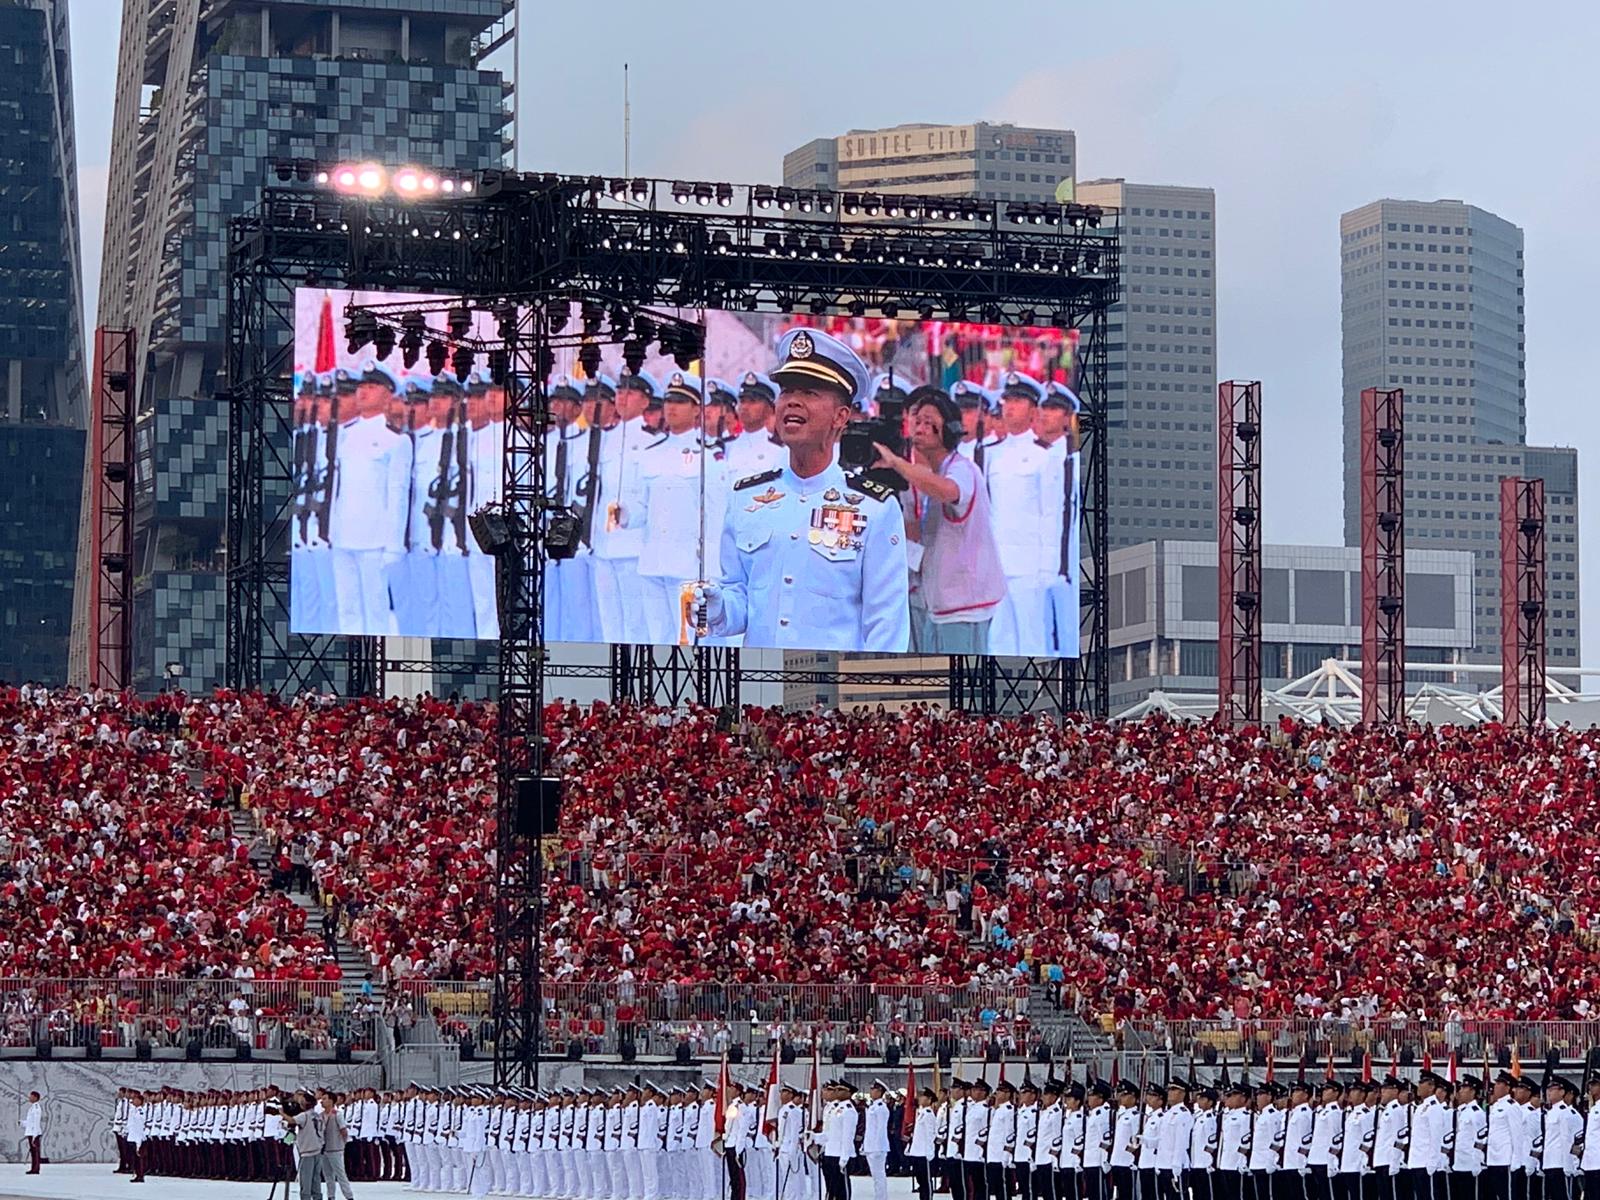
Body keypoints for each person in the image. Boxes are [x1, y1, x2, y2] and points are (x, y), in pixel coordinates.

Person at [699, 327, 909, 651]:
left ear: (841, 416)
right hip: (760, 685)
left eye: (810, 392)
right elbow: (741, 600)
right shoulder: (746, 498)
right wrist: (717, 608)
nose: (792, 402)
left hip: (831, 691)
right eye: (786, 391)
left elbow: (886, 628)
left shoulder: (875, 509)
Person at [877, 386, 1006, 653]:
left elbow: (949, 491)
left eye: (929, 422)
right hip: (938, 605)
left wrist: (898, 464)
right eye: (917, 420)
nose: (920, 428)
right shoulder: (935, 471)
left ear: (948, 430)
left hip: (963, 609)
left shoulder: (962, 469)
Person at [984, 370, 1064, 656]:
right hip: (996, 563)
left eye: (1018, 401)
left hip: (1030, 564)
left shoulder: (1045, 455)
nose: (1010, 406)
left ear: (1032, 408)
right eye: (1006, 400)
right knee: (997, 640)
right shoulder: (991, 453)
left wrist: (1047, 568)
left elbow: (1051, 515)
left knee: (1033, 639)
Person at [318, 1093, 357, 1200]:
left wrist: (342, 1144)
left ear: (331, 1101)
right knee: (328, 1175)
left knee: (340, 1174)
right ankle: (331, 1196)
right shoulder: (321, 1115)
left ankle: (349, 1196)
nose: (322, 1101)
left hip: (335, 1149)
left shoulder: (337, 1115)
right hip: (324, 1149)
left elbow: (343, 1130)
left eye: (324, 1099)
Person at [864, 1080, 893, 1200]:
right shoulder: (873, 1106)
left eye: (873, 1089)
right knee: (875, 1177)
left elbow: (881, 1129)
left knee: (879, 1176)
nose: (871, 1091)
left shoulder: (881, 1108)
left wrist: (877, 1147)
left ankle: (881, 1198)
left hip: (878, 1148)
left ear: (880, 1091)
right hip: (871, 1146)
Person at [910, 1088, 939, 1200]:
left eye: (923, 1096)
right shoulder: (921, 1112)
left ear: (929, 1099)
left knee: (926, 1181)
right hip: (917, 1152)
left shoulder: (928, 1114)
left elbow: (930, 1134)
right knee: (920, 1181)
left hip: (924, 1153)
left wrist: (929, 1152)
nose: (920, 1098)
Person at [22, 1089, 43, 1173]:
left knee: (35, 1152)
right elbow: (30, 1122)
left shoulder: (36, 1108)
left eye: (31, 1096)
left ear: (35, 1097)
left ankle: (35, 1169)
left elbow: (36, 1122)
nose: (29, 1098)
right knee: (33, 1152)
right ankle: (34, 1168)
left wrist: (34, 1136)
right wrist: (22, 1123)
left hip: (34, 1133)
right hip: (30, 1132)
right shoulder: (32, 1108)